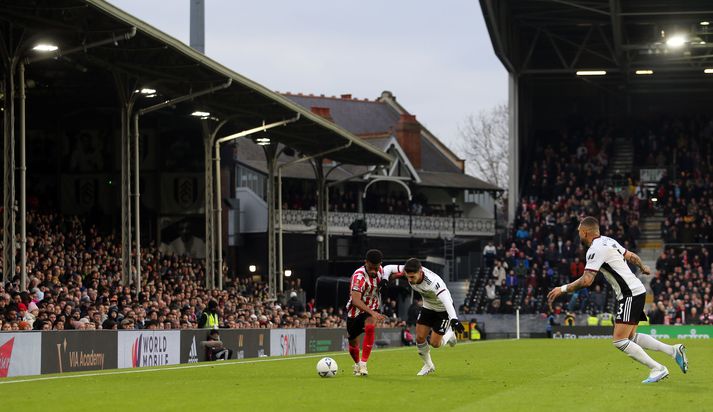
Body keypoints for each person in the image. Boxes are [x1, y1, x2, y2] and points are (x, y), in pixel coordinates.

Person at [547, 216, 689, 384]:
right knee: (630, 337)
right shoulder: (608, 241)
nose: (579, 235)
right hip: (635, 291)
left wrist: (562, 289)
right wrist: (643, 267)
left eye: (579, 232)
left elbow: (587, 280)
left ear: (585, 232)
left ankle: (657, 368)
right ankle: (673, 351)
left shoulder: (594, 249)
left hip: (630, 294)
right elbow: (632, 256)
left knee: (619, 340)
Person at [382, 258, 465, 376]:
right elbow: (388, 267)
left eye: (412, 277)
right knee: (420, 338)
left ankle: (450, 335)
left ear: (420, 272)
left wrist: (454, 319)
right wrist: (385, 279)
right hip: (428, 307)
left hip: (443, 310)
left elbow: (447, 300)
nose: (410, 280)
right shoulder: (408, 271)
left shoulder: (433, 282)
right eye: (408, 276)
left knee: (435, 344)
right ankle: (428, 365)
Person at [345, 249, 389, 377]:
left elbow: (394, 271)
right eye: (371, 267)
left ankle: (363, 363)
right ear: (366, 263)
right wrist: (373, 312)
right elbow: (355, 300)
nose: (374, 271)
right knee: (353, 342)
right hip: (355, 311)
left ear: (380, 264)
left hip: (372, 309)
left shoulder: (382, 271)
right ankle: (357, 363)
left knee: (370, 326)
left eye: (376, 268)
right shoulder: (359, 276)